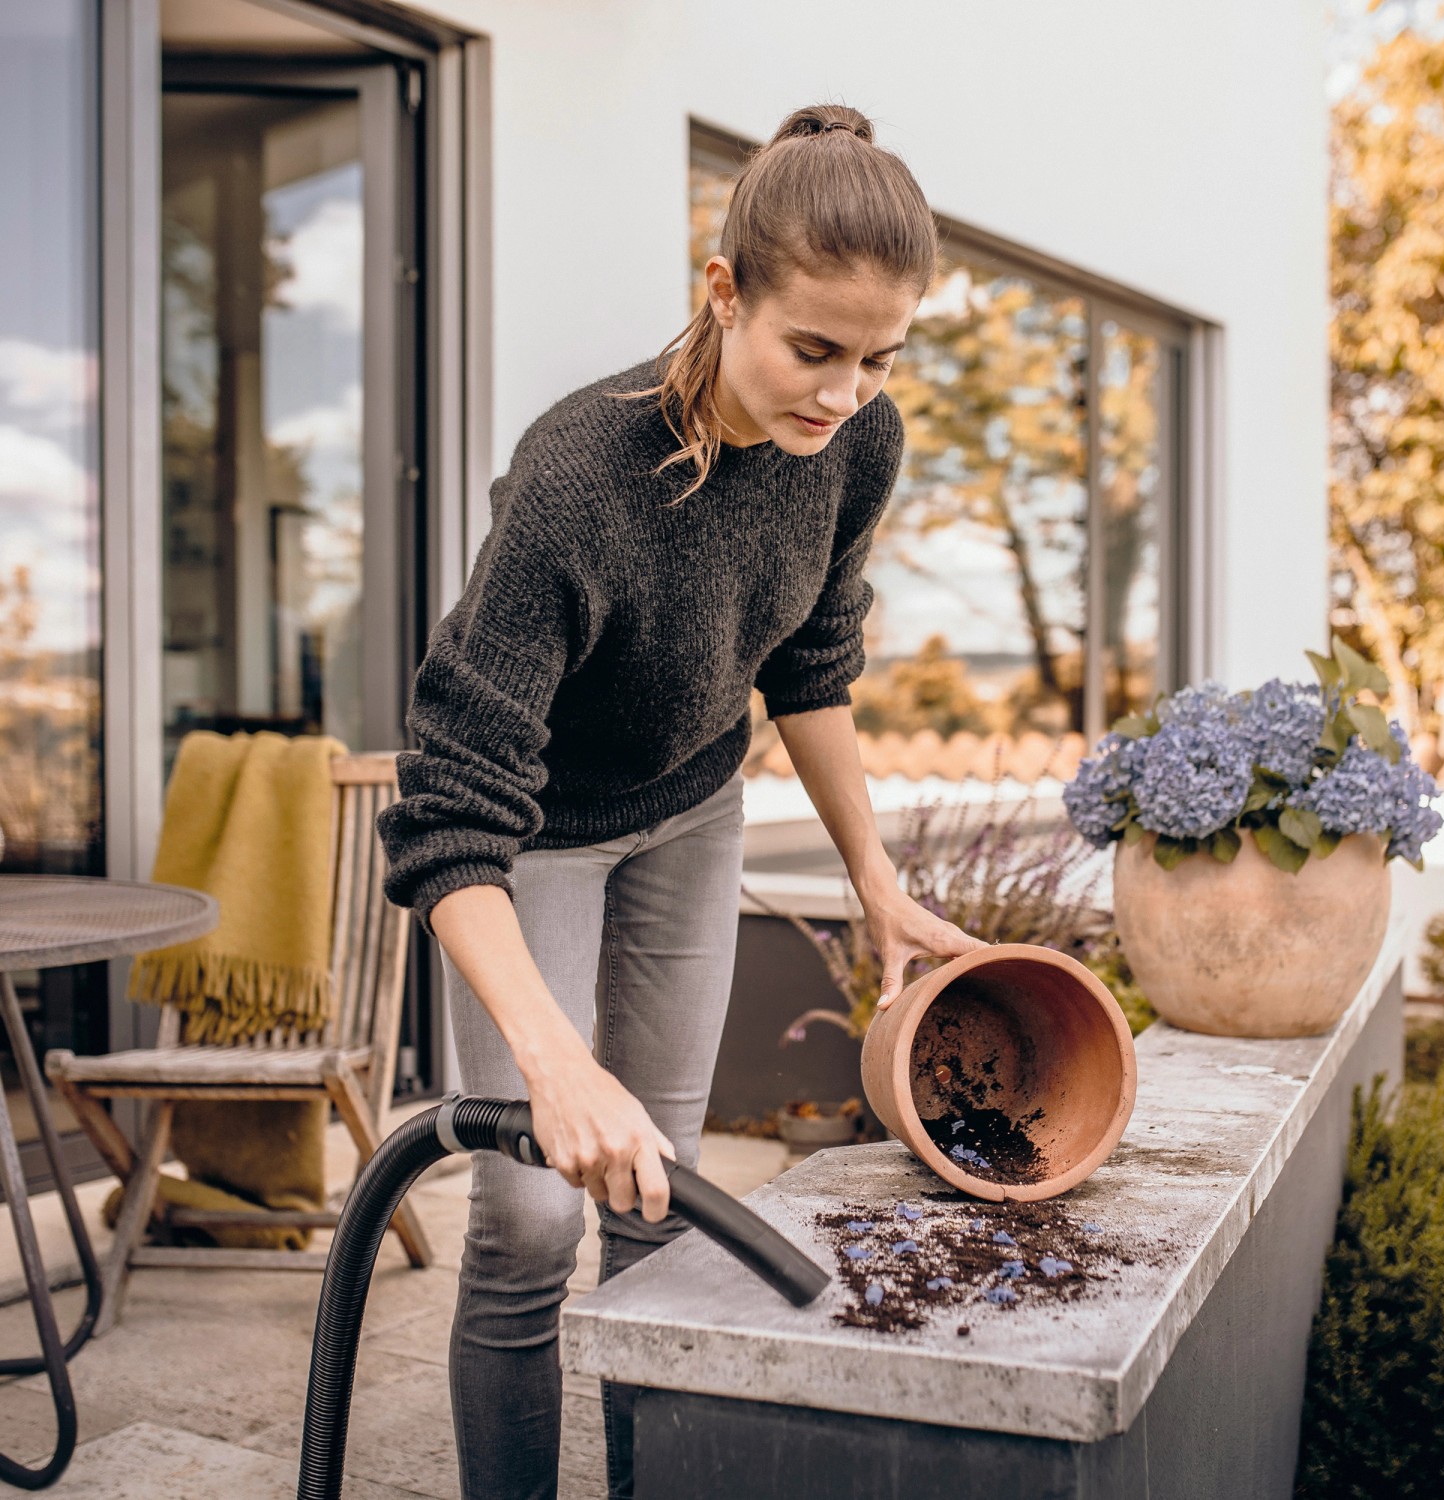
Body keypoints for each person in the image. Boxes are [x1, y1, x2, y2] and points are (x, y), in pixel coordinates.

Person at [377, 101, 987, 1500]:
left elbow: (811, 668)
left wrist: (877, 881)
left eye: (880, 357)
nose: (843, 393)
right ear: (722, 292)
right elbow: (449, 815)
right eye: (814, 349)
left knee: (665, 1203)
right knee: (532, 1215)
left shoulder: (854, 444)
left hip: (695, 811)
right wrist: (553, 1056)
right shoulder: (576, 480)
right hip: (532, 839)